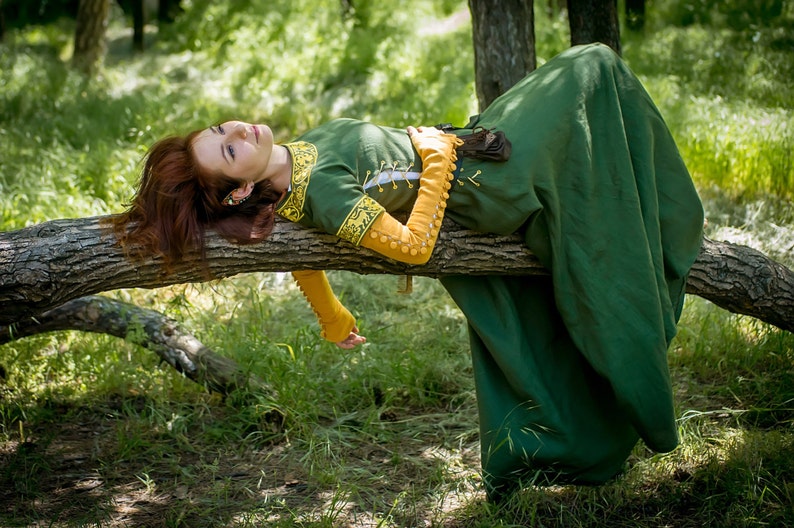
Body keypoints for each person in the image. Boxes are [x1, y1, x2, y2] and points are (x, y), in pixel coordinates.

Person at [112, 44, 704, 499]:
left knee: (592, 71)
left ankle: (653, 204)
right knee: (593, 67)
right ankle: (667, 213)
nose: (239, 130)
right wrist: (440, 160)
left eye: (221, 130)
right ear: (239, 191)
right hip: (492, 181)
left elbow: (301, 255)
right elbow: (414, 247)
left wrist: (330, 315)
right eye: (230, 150)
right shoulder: (323, 193)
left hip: (483, 144)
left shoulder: (297, 166)